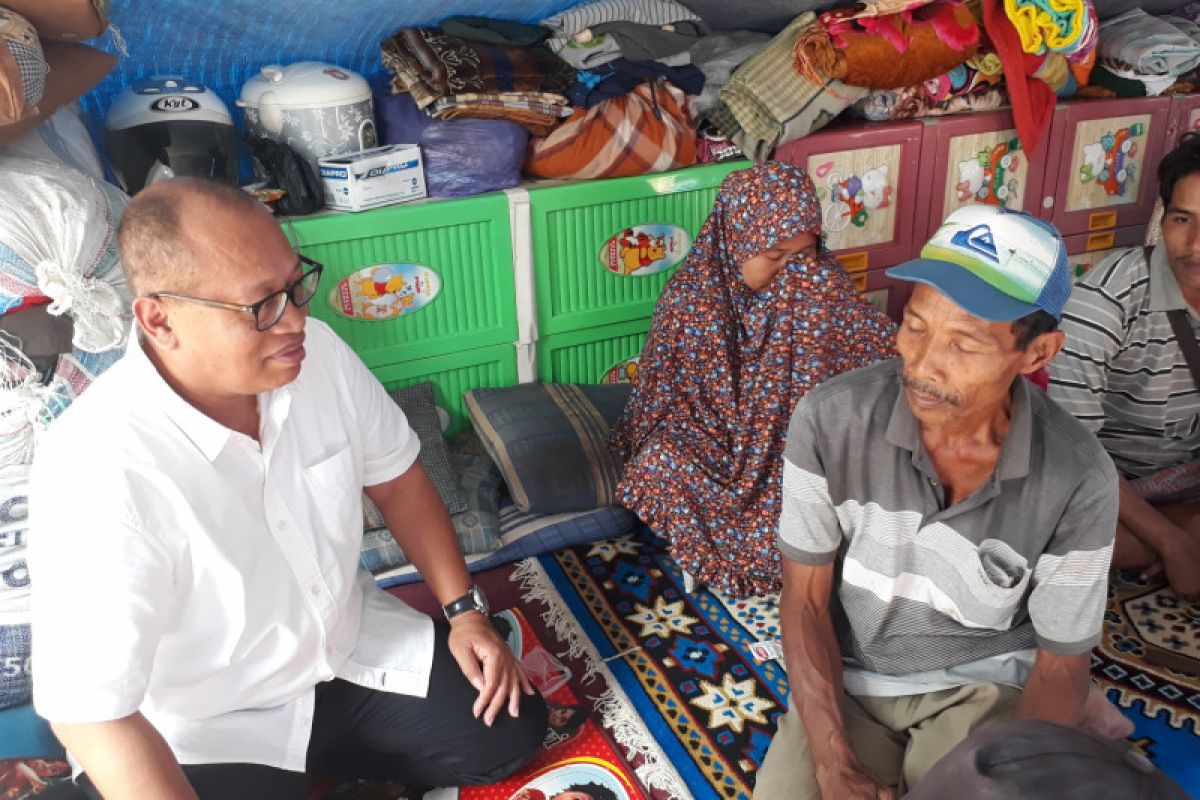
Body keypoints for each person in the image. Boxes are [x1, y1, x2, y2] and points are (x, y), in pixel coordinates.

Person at [27, 178, 548, 800]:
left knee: (508, 730)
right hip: (212, 723)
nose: (296, 320)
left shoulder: (315, 355)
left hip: (345, 656)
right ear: (160, 319)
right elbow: (90, 713)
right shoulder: (96, 471)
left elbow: (400, 479)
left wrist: (465, 613)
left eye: (295, 285)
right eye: (260, 306)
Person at [755, 205, 1122, 800]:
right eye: (916, 325)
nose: (922, 365)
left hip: (987, 683)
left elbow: (1060, 665)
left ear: (1037, 354)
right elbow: (804, 597)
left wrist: (1017, 771)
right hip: (852, 681)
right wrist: (831, 761)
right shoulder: (829, 419)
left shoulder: (1078, 477)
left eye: (965, 344)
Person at [608, 161, 896, 598]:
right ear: (734, 244)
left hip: (811, 446)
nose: (793, 271)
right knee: (659, 462)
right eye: (775, 257)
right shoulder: (695, 305)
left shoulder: (823, 283)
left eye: (804, 255)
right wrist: (762, 435)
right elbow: (676, 403)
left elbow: (875, 362)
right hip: (723, 443)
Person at [1048, 132, 1200, 601]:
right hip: (1103, 482)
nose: (1195, 245)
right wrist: (1171, 542)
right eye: (1183, 219)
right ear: (1162, 216)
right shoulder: (1108, 300)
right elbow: (1074, 453)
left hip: (1185, 478)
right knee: (1043, 535)